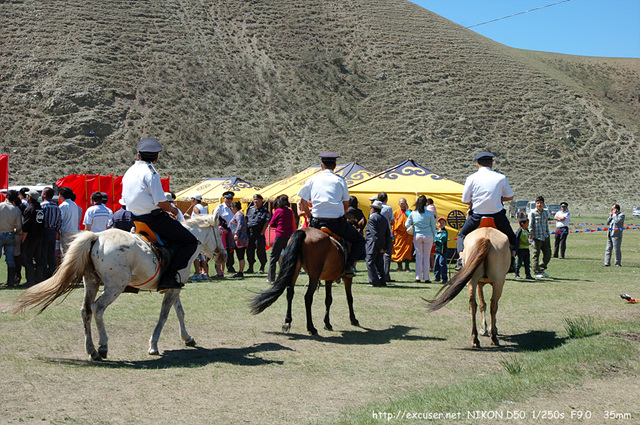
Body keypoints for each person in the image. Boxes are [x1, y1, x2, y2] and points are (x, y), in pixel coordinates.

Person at [122, 137, 198, 290]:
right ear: (156, 158)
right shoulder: (151, 173)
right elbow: (162, 203)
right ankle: (168, 277)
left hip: (134, 218)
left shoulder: (129, 171)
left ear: (138, 155)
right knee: (190, 242)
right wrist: (174, 210)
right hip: (153, 219)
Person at [297, 152, 365, 278]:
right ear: (335, 166)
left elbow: (302, 201)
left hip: (316, 222)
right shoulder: (340, 180)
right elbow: (345, 204)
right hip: (336, 223)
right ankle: (349, 266)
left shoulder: (312, 179)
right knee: (359, 240)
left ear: (321, 166)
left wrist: (309, 216)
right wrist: (341, 214)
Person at [457, 152, 517, 270]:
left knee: (462, 235)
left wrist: (474, 202)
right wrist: (499, 198)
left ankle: (460, 259)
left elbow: (465, 200)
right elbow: (510, 196)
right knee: (512, 237)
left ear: (477, 164)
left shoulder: (471, 178)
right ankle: (512, 260)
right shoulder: (501, 177)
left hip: (477, 217)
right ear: (491, 164)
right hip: (497, 216)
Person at [405, 195, 437, 283]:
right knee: (426, 257)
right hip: (428, 236)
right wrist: (434, 238)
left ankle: (418, 277)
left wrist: (413, 227)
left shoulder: (413, 213)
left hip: (417, 235)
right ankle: (426, 278)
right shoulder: (429, 214)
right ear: (426, 203)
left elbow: (406, 225)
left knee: (418, 257)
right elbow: (433, 227)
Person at [268, 194, 295, 283]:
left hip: (280, 236)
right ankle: (287, 277)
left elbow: (271, 223)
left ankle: (271, 278)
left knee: (274, 257)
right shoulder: (290, 211)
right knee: (288, 257)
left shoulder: (278, 211)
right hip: (289, 236)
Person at [365, 200, 392, 287]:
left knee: (370, 262)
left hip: (373, 244)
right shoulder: (384, 218)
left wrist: (380, 246)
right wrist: (385, 247)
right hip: (382, 244)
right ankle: (382, 281)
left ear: (373, 209)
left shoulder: (372, 218)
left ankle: (374, 281)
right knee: (379, 263)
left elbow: (374, 234)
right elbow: (387, 233)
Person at [22, 189, 45, 286]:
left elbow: (26, 227)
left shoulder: (29, 209)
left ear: (29, 198)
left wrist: (22, 240)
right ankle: (39, 279)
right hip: (40, 237)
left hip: (31, 238)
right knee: (38, 258)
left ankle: (30, 280)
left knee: (28, 259)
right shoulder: (41, 209)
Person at [0, 190, 22, 287]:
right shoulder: (16, 209)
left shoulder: (0, 206)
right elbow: (19, 227)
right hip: (10, 234)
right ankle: (11, 281)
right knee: (10, 259)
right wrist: (14, 232)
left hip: (0, 233)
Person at [40, 187, 61, 279]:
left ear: (44, 195)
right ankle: (53, 273)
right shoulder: (56, 207)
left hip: (45, 230)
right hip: (53, 231)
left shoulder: (42, 206)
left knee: (43, 252)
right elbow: (60, 221)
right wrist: (56, 230)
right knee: (51, 253)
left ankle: (44, 274)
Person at [245, 194, 270, 274]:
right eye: (254, 199)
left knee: (260, 251)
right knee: (249, 251)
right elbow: (246, 220)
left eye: (257, 199)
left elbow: (266, 222)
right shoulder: (250, 209)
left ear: (261, 201)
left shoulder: (264, 210)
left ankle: (262, 267)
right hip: (250, 234)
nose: (255, 201)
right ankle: (250, 267)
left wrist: (262, 232)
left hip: (259, 234)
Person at [212, 191, 236, 274]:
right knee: (221, 250)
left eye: (231, 199)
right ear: (223, 198)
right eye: (227, 198)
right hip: (222, 231)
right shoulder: (220, 208)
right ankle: (219, 269)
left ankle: (230, 266)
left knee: (231, 250)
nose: (229, 200)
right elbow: (214, 220)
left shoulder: (233, 208)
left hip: (231, 231)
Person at [529, 196, 551, 278]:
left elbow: (546, 224)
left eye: (541, 203)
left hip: (545, 236)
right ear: (535, 204)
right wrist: (531, 236)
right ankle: (536, 271)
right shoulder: (532, 213)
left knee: (548, 254)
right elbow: (530, 225)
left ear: (543, 204)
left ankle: (541, 268)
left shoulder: (545, 213)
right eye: (537, 203)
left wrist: (547, 234)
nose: (539, 205)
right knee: (535, 255)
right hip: (536, 237)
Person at [58, 187, 80, 259]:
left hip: (66, 231)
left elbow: (60, 219)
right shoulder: (74, 204)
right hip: (74, 231)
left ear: (61, 196)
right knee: (72, 253)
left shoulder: (63, 205)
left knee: (65, 253)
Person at [391, 197, 412, 271]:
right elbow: (392, 223)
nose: (403, 205)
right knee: (398, 249)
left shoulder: (410, 212)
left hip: (408, 234)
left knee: (407, 250)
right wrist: (392, 233)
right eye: (401, 203)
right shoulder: (396, 212)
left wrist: (407, 211)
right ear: (399, 204)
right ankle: (399, 266)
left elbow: (412, 219)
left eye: (404, 203)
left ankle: (407, 266)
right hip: (398, 234)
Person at [229, 201, 249, 278]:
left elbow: (240, 224)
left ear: (235, 208)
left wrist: (236, 234)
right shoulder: (239, 214)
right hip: (239, 237)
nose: (231, 210)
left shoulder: (239, 214)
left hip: (240, 238)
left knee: (240, 255)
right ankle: (240, 271)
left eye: (231, 208)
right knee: (239, 254)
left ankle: (240, 271)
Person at [433, 217, 448, 283]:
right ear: (437, 223)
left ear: (445, 224)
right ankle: (437, 277)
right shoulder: (436, 231)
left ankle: (444, 278)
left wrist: (436, 241)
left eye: (443, 223)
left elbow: (443, 239)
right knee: (436, 264)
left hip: (442, 252)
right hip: (437, 251)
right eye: (440, 222)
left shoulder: (445, 232)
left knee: (442, 263)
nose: (441, 224)